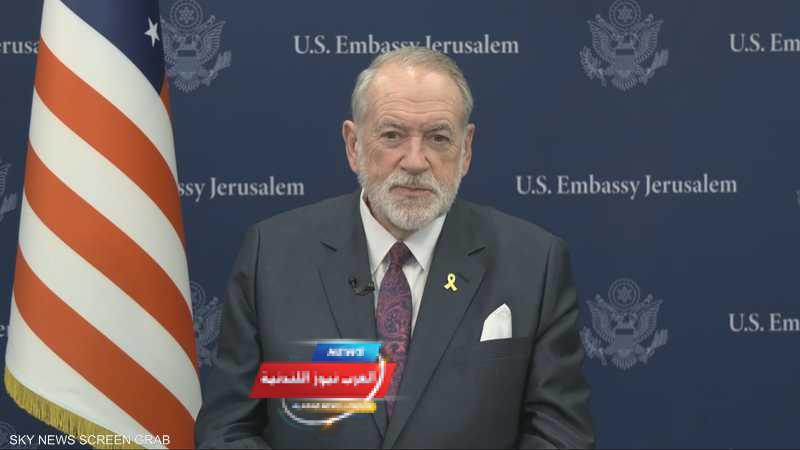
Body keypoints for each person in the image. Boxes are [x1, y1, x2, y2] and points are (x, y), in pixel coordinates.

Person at [195, 47, 595, 449]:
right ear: (353, 144)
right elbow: (227, 431)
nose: (415, 161)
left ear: (466, 149)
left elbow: (560, 437)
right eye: (392, 135)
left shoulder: (534, 265)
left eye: (438, 138)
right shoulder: (272, 255)